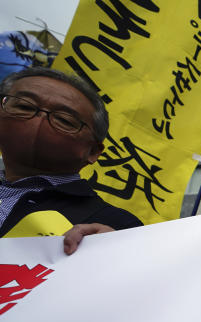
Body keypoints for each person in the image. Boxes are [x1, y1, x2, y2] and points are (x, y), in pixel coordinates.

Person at [0, 67, 141, 254]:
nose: (39, 120)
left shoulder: (115, 227)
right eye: (25, 106)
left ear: (93, 151)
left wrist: (121, 256)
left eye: (64, 120)